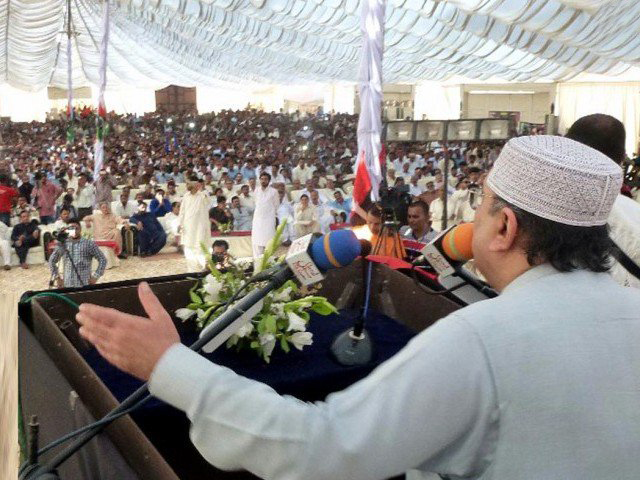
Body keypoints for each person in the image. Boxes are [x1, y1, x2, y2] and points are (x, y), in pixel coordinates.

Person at [77, 135, 640, 480]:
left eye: (482, 207)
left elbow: (322, 452)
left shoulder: (483, 339)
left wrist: (169, 368)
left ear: (506, 227)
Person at [49, 219, 107, 288]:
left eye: (77, 228)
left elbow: (103, 259)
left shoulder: (88, 244)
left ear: (80, 229)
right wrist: (58, 278)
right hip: (67, 285)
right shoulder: (63, 243)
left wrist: (95, 277)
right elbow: (51, 261)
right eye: (71, 229)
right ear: (67, 230)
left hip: (84, 284)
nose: (75, 231)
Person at [179, 178, 211, 270]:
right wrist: (180, 224)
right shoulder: (186, 196)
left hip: (200, 225)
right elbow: (182, 211)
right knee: (189, 246)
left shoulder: (203, 195)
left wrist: (201, 190)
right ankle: (191, 269)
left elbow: (208, 201)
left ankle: (203, 266)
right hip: (188, 225)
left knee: (200, 245)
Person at [251, 172, 279, 259]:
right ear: (259, 180)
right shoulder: (256, 190)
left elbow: (276, 205)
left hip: (269, 219)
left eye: (265, 179)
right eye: (262, 179)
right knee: (256, 239)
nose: (263, 181)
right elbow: (255, 203)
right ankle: (257, 260)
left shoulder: (274, 192)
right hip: (258, 219)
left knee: (269, 239)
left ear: (269, 181)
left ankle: (270, 260)